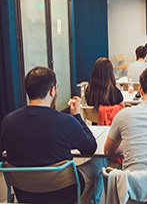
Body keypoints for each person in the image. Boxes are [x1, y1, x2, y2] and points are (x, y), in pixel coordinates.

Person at [1, 67, 107, 204]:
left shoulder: (8, 121)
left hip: (24, 194)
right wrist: (78, 116)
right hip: (64, 195)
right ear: (52, 90)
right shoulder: (65, 121)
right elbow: (90, 147)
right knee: (102, 160)